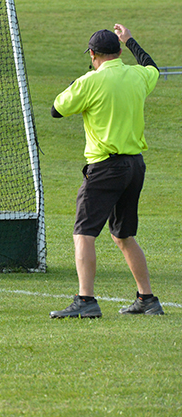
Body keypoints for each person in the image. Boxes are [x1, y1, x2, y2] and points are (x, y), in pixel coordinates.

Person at [49, 24, 164, 319]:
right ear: (120, 50)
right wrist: (131, 40)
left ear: (92, 54)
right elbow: (152, 67)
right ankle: (147, 299)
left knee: (84, 232)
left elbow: (56, 109)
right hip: (135, 165)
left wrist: (84, 80)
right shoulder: (137, 76)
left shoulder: (90, 82)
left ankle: (85, 300)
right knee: (123, 235)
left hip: (105, 167)